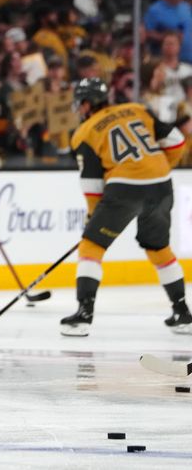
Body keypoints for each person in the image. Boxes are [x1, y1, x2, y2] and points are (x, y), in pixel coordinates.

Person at [60, 78, 189, 337]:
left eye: (80, 104)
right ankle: (183, 312)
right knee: (158, 247)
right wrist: (158, 166)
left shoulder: (84, 132)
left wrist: (91, 218)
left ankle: (83, 315)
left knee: (91, 247)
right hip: (162, 184)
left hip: (125, 188)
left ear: (86, 104)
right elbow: (176, 142)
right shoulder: (137, 109)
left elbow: (93, 185)